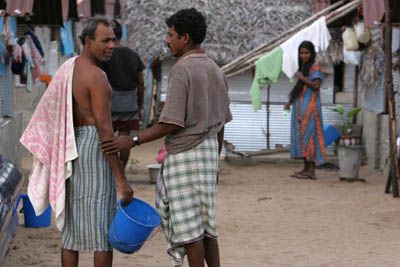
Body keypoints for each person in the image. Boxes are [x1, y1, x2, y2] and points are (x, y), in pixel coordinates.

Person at [101, 8, 232, 267]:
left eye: (170, 35)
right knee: (207, 225)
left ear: (185, 37)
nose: (166, 39)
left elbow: (171, 122)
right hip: (207, 154)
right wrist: (215, 159)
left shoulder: (182, 69)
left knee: (189, 228)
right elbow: (222, 123)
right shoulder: (216, 69)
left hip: (186, 155)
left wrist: (133, 140)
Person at [63, 17, 133, 266]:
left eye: (113, 39)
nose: (112, 45)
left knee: (70, 234)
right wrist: (121, 179)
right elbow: (105, 131)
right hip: (94, 147)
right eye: (106, 40)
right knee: (103, 232)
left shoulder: (68, 69)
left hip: (72, 146)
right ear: (88, 41)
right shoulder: (97, 76)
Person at [101, 19, 145, 171]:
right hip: (128, 103)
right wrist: (139, 105)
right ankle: (121, 169)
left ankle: (109, 170)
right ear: (121, 34)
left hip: (108, 103)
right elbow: (141, 82)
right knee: (124, 139)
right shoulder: (133, 55)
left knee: (105, 138)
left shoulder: (104, 56)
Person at [284, 40, 325, 180]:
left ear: (311, 53)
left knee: (310, 136)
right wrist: (289, 102)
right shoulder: (303, 67)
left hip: (311, 107)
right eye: (301, 53)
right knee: (302, 136)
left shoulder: (315, 68)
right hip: (300, 107)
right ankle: (305, 168)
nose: (304, 55)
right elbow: (299, 87)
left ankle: (312, 170)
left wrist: (301, 77)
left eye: (306, 53)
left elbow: (316, 85)